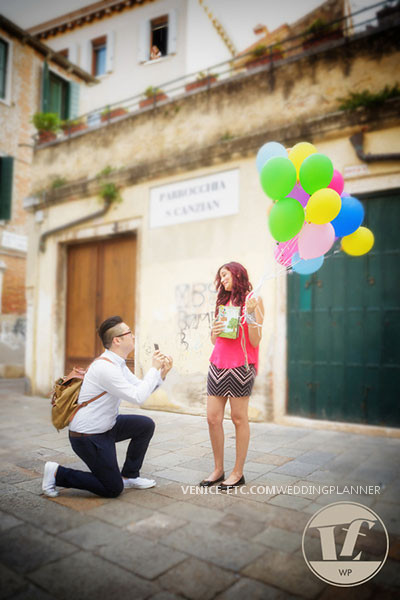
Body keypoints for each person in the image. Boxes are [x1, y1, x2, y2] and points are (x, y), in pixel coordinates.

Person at [42, 316, 173, 498]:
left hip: (107, 427)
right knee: (112, 488)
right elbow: (138, 397)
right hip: (88, 436)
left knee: (145, 425)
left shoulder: (117, 363)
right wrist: (153, 368)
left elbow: (139, 387)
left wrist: (161, 374)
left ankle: (130, 475)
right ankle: (57, 473)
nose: (133, 336)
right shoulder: (105, 368)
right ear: (117, 340)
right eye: (129, 333)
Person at [199, 262, 264, 490]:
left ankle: (238, 472)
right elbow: (216, 341)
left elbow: (255, 341)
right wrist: (213, 332)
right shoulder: (222, 302)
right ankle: (218, 469)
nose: (222, 280)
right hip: (217, 364)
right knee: (212, 418)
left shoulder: (252, 299)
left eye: (225, 275)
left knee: (238, 419)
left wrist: (253, 312)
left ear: (237, 274)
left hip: (242, 366)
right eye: (220, 277)